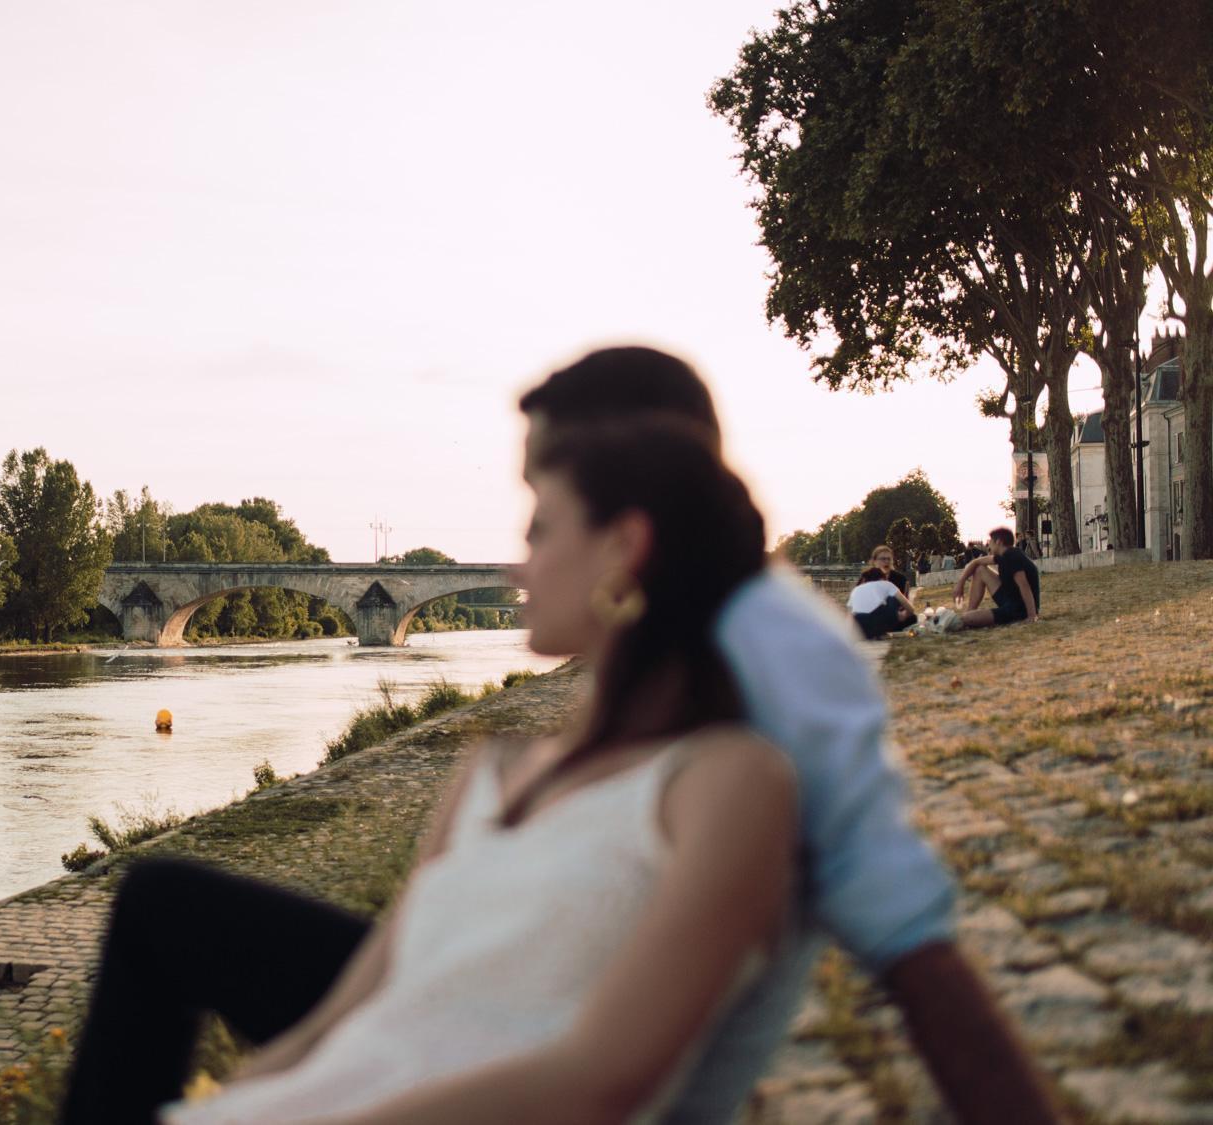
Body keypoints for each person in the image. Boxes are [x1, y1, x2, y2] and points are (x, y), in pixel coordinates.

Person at [57, 347, 1060, 1125]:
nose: (519, 554)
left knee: (159, 904)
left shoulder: (772, 661)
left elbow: (909, 947)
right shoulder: (611, 689)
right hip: (510, 983)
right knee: (175, 908)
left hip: (555, 1017)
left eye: (543, 502)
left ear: (632, 511)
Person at [939, 528, 1040, 630]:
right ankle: (969, 611)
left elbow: (1024, 586)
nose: (989, 544)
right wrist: (960, 584)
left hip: (1018, 609)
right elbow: (975, 562)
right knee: (980, 570)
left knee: (966, 618)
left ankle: (957, 619)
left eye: (990, 541)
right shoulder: (1004, 555)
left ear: (998, 542)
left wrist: (1031, 615)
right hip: (1010, 600)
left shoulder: (1013, 556)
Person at [848, 566, 914, 640]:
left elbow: (851, 614)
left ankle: (874, 633)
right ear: (883, 577)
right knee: (892, 598)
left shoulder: (856, 589)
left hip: (859, 627)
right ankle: (881, 632)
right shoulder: (886, 584)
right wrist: (902, 615)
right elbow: (910, 608)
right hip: (879, 621)